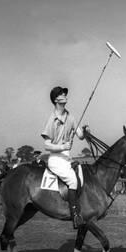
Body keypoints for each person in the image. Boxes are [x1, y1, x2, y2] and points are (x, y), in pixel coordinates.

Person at [41, 86, 87, 229]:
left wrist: (85, 131)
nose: (65, 95)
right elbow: (46, 145)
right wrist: (62, 147)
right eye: (61, 94)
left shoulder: (71, 117)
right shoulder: (51, 119)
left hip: (67, 158)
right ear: (56, 100)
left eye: (65, 93)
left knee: (81, 176)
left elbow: (80, 135)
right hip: (55, 158)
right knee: (73, 181)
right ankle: (75, 216)